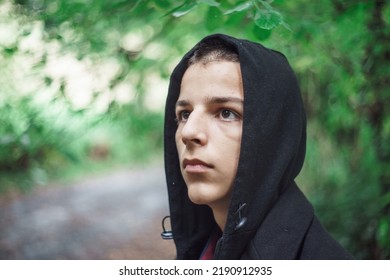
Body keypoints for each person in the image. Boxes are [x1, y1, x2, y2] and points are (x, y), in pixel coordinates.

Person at [162, 33, 352, 259]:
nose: (189, 132)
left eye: (226, 113)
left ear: (276, 134)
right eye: (184, 114)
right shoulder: (202, 249)